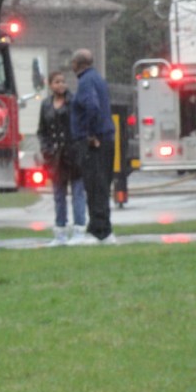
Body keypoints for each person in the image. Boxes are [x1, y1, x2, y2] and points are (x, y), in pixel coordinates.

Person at [69, 49, 117, 245]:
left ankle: (99, 232)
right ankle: (102, 228)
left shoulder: (85, 82)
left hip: (95, 142)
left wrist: (90, 134)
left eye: (72, 63)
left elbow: (92, 107)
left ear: (77, 64)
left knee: (95, 186)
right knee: (102, 186)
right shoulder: (97, 78)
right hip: (106, 138)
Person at [37, 70, 86, 246]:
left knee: (78, 193)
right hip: (55, 157)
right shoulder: (46, 105)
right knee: (59, 195)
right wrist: (46, 149)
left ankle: (79, 229)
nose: (61, 85)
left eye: (63, 81)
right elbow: (42, 131)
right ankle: (60, 231)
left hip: (73, 154)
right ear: (50, 85)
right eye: (57, 82)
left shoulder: (73, 102)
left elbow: (81, 126)